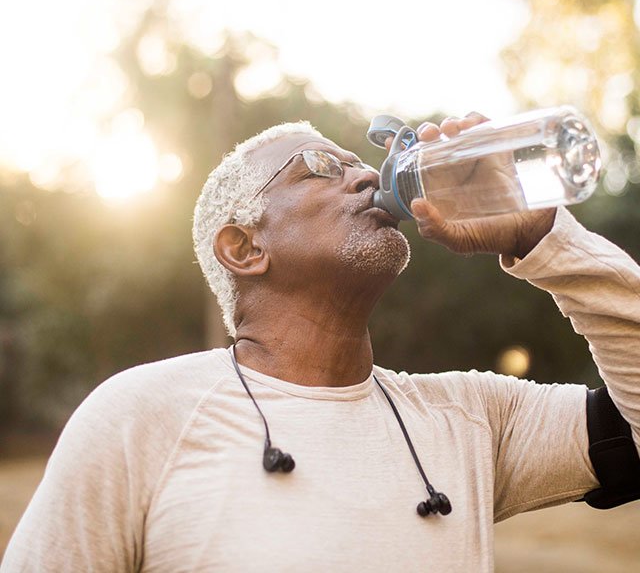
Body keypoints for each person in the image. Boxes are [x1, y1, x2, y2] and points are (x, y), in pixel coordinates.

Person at [2, 112, 639, 572]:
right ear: (245, 247)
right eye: (319, 167)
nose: (365, 177)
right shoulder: (140, 416)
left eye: (361, 162)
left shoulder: (473, 419)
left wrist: (544, 239)